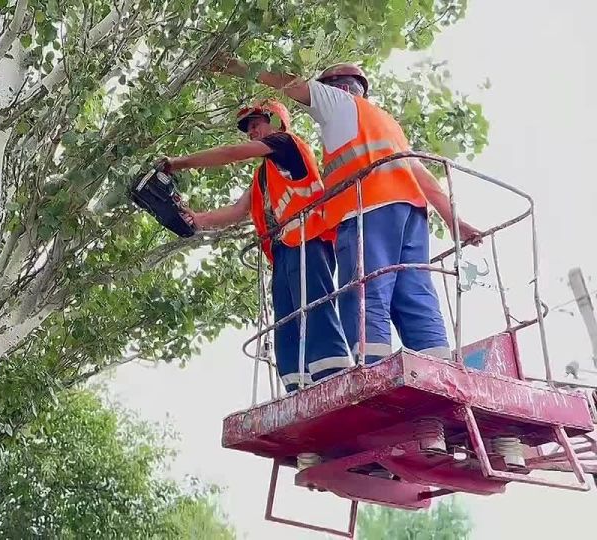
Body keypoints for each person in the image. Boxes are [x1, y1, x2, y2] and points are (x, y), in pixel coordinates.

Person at [208, 57, 482, 364]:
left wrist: (235, 66)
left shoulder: (338, 103)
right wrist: (454, 221)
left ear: (336, 88)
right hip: (411, 213)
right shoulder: (386, 123)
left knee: (364, 290)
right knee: (414, 295)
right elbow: (424, 177)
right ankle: (437, 365)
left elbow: (292, 84)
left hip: (368, 208)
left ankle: (371, 371)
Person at [164, 100, 352, 391]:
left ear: (275, 121)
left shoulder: (287, 144)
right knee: (286, 322)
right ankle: (296, 386)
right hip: (282, 250)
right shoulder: (263, 174)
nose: (251, 133)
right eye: (248, 129)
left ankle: (334, 377)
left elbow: (229, 154)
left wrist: (178, 163)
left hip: (308, 239)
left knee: (315, 306)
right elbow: (238, 211)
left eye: (256, 125)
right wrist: (196, 219)